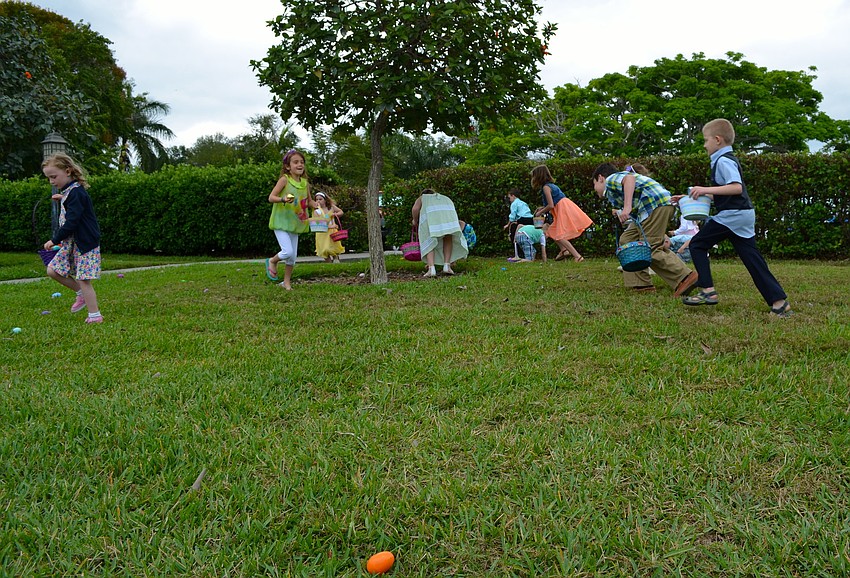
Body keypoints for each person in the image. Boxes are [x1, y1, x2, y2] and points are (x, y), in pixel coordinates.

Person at [676, 118, 792, 317]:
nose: (704, 145)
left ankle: (707, 291)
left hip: (733, 216)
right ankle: (779, 303)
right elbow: (725, 192)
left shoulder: (723, 160)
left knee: (697, 244)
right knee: (752, 259)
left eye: (706, 140)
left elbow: (736, 187)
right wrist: (692, 197)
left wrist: (704, 188)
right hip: (743, 215)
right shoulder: (725, 159)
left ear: (718, 140)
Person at [592, 162, 698, 296]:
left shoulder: (611, 179)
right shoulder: (613, 190)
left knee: (650, 248)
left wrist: (627, 207)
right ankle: (641, 284)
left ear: (601, 178)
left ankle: (685, 277)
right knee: (628, 241)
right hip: (648, 210)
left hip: (654, 205)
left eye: (594, 184)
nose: (595, 189)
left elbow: (629, 179)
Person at [41, 153, 103, 324]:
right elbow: (75, 205)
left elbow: (72, 222)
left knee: (84, 279)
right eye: (49, 178)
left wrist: (54, 240)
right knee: (52, 270)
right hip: (72, 244)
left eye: (54, 176)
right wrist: (63, 199)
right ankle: (80, 294)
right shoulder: (70, 192)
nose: (52, 181)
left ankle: (94, 315)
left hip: (84, 243)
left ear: (67, 171)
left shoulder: (76, 193)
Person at [265, 149, 315, 290]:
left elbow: (309, 201)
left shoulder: (305, 184)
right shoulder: (284, 180)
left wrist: (315, 205)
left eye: (302, 162)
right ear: (288, 166)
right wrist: (283, 199)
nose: (300, 165)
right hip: (281, 222)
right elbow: (271, 197)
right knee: (287, 251)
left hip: (296, 223)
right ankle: (272, 261)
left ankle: (286, 283)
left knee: (292, 258)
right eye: (296, 162)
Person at [531, 165, 593, 262]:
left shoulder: (546, 188)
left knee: (559, 235)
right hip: (563, 206)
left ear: (538, 176)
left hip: (562, 209)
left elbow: (551, 205)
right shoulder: (551, 186)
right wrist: (542, 207)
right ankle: (564, 250)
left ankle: (577, 256)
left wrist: (540, 213)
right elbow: (553, 202)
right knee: (552, 231)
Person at [411, 189, 468, 277]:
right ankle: (447, 266)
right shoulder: (443, 198)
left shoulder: (423, 197)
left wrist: (415, 220)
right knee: (448, 236)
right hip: (448, 216)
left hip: (432, 217)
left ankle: (431, 269)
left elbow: (415, 209)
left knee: (429, 238)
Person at [313, 191, 344, 263]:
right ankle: (329, 263)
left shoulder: (331, 208)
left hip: (332, 232)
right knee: (324, 249)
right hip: (322, 233)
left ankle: (336, 259)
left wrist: (334, 214)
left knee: (332, 247)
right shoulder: (317, 212)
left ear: (325, 200)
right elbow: (318, 224)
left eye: (320, 199)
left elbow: (340, 212)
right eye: (317, 199)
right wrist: (330, 226)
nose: (318, 201)